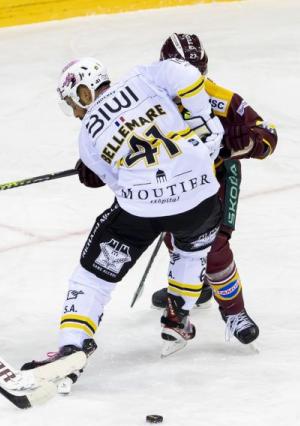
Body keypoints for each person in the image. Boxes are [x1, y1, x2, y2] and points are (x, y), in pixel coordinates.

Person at [23, 55, 225, 387]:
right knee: (191, 252)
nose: (75, 112)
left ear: (84, 91)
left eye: (73, 103)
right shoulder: (144, 78)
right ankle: (178, 317)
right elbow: (185, 72)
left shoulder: (87, 134)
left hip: (142, 208)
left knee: (93, 276)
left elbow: (116, 181)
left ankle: (73, 344)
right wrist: (203, 118)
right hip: (201, 198)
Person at [149, 33, 278, 345]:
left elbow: (267, 135)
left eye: (195, 73)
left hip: (218, 179)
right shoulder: (147, 94)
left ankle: (234, 311)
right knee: (178, 240)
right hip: (174, 185)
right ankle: (198, 283)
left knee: (215, 247)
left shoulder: (218, 97)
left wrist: (240, 143)